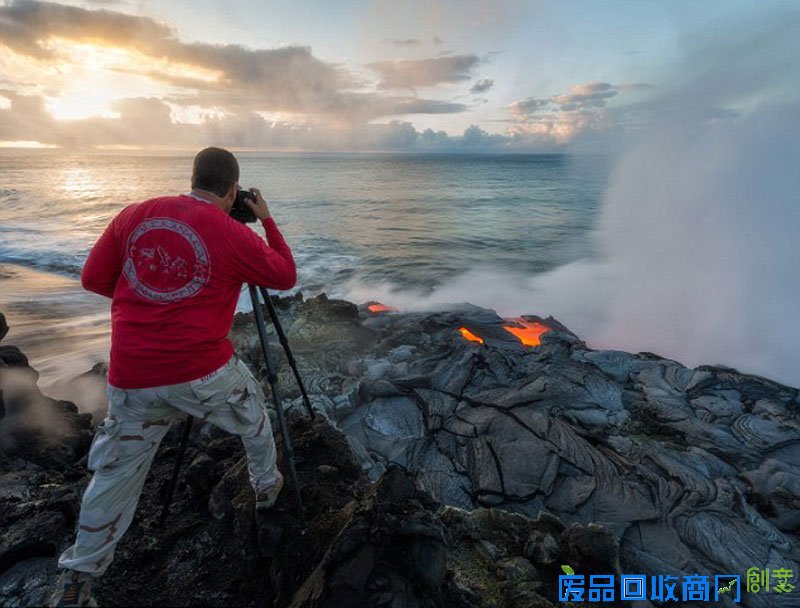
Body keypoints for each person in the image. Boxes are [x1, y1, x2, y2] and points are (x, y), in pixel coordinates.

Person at [50, 147, 296, 608]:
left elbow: (93, 278)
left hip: (131, 376)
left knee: (115, 473)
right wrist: (266, 222)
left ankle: (78, 577)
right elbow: (284, 275)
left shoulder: (135, 215)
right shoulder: (232, 233)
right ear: (232, 191)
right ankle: (267, 487)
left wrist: (150, 298)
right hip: (203, 374)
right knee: (255, 414)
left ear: (193, 178)